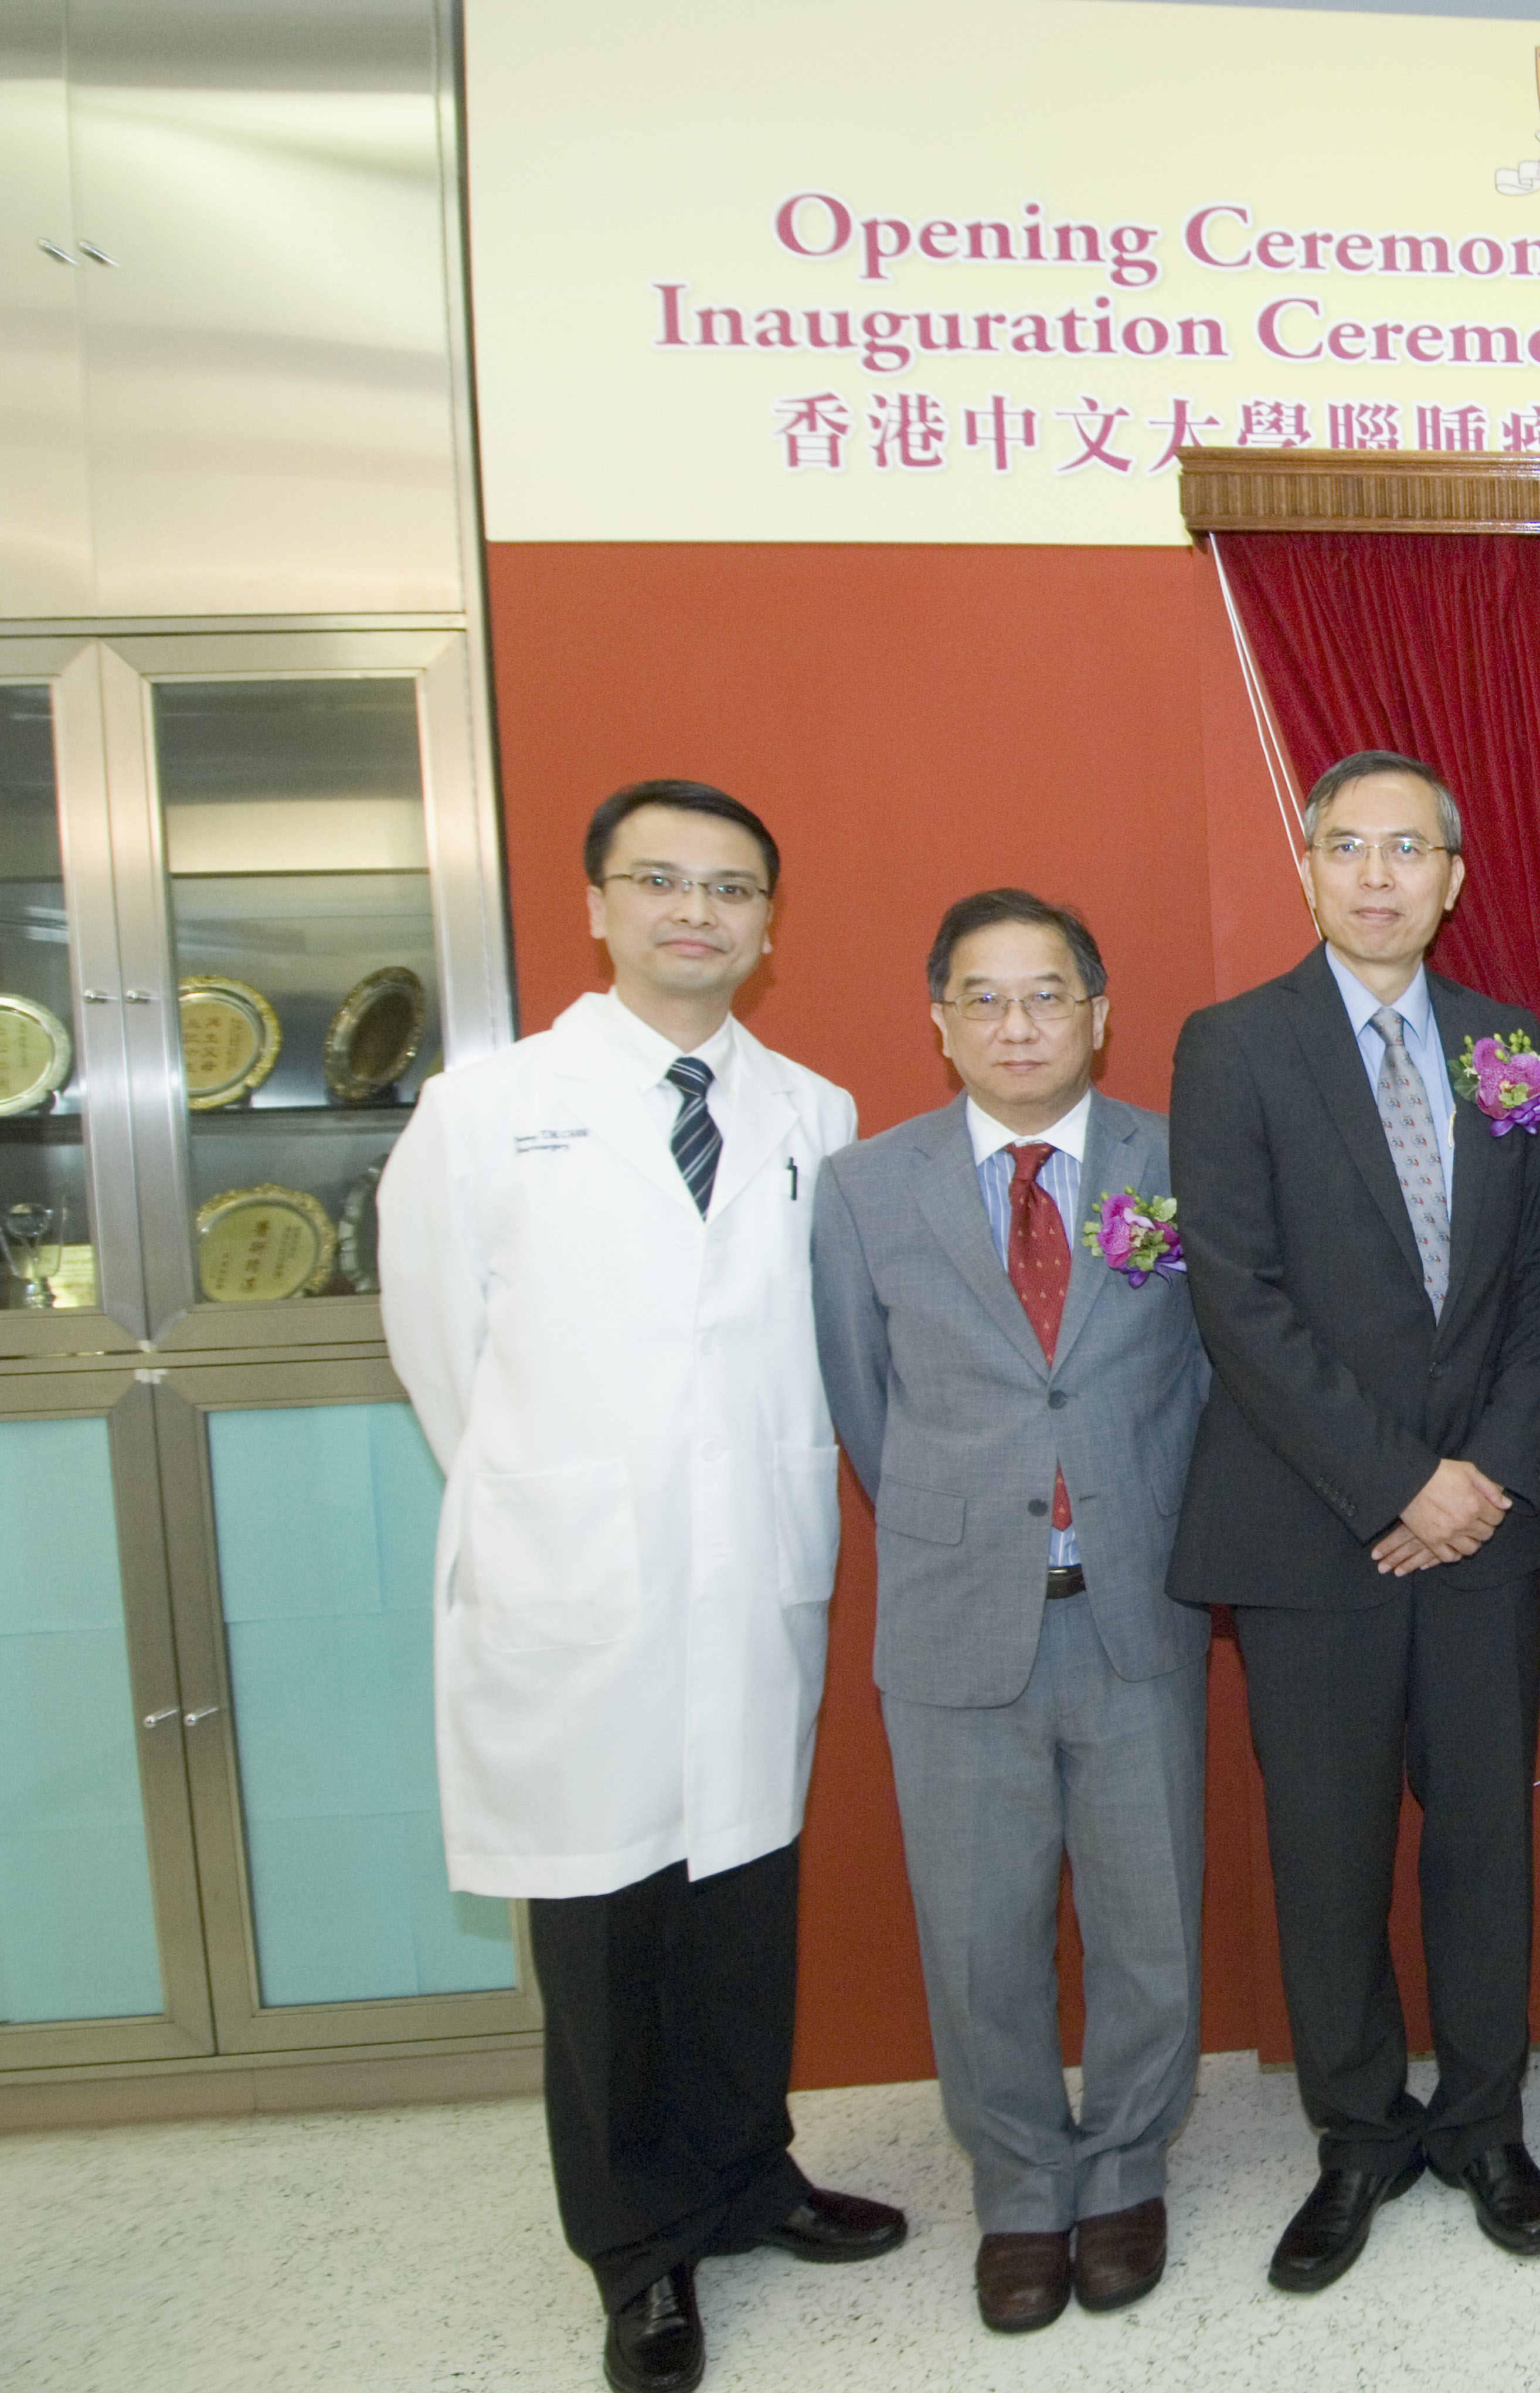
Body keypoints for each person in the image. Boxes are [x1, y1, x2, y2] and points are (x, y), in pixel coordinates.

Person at [380, 780, 902, 2393]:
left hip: (746, 1573)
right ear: (597, 904)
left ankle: (750, 2177)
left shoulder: (814, 1113)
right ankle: (638, 2246)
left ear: (768, 921)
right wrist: (567, 1504)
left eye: (732, 886)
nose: (697, 911)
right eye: (661, 881)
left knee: (744, 1896)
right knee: (603, 1928)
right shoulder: (487, 1109)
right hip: (578, 1578)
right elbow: (440, 1361)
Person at [1166, 751, 1540, 2290]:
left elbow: (1537, 1291)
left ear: (1455, 877)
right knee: (1326, 1847)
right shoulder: (1234, 1045)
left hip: (1479, 1523)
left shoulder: (1504, 1046)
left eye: (1412, 849)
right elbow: (1241, 1297)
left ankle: (1483, 2120)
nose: (1382, 874)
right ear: (1310, 865)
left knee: (1485, 1837)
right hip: (1309, 1530)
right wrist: (1395, 1481)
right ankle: (1356, 2135)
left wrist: (1471, 1475)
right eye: (1352, 846)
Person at [810, 891, 1208, 2333]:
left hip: (1137, 1600)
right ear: (940, 1019)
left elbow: (1217, 1374)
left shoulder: (1180, 1161)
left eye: (1048, 995)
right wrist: (972, 1519)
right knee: (976, 1932)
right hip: (956, 1612)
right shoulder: (867, 1188)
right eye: (984, 998)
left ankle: (1123, 2171)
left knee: (1149, 1915)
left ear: (1099, 1012)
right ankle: (1022, 2188)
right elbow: (868, 1406)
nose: (1018, 1023)